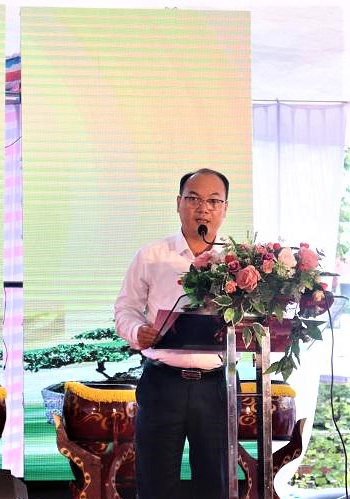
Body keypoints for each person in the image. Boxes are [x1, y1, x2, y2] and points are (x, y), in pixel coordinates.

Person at [114, 168, 230, 499]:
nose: (203, 208)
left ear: (224, 208)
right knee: (156, 483)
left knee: (215, 484)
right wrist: (138, 331)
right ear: (179, 203)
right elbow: (125, 309)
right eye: (193, 199)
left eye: (213, 201)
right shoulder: (152, 256)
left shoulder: (236, 261)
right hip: (163, 383)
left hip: (215, 386)